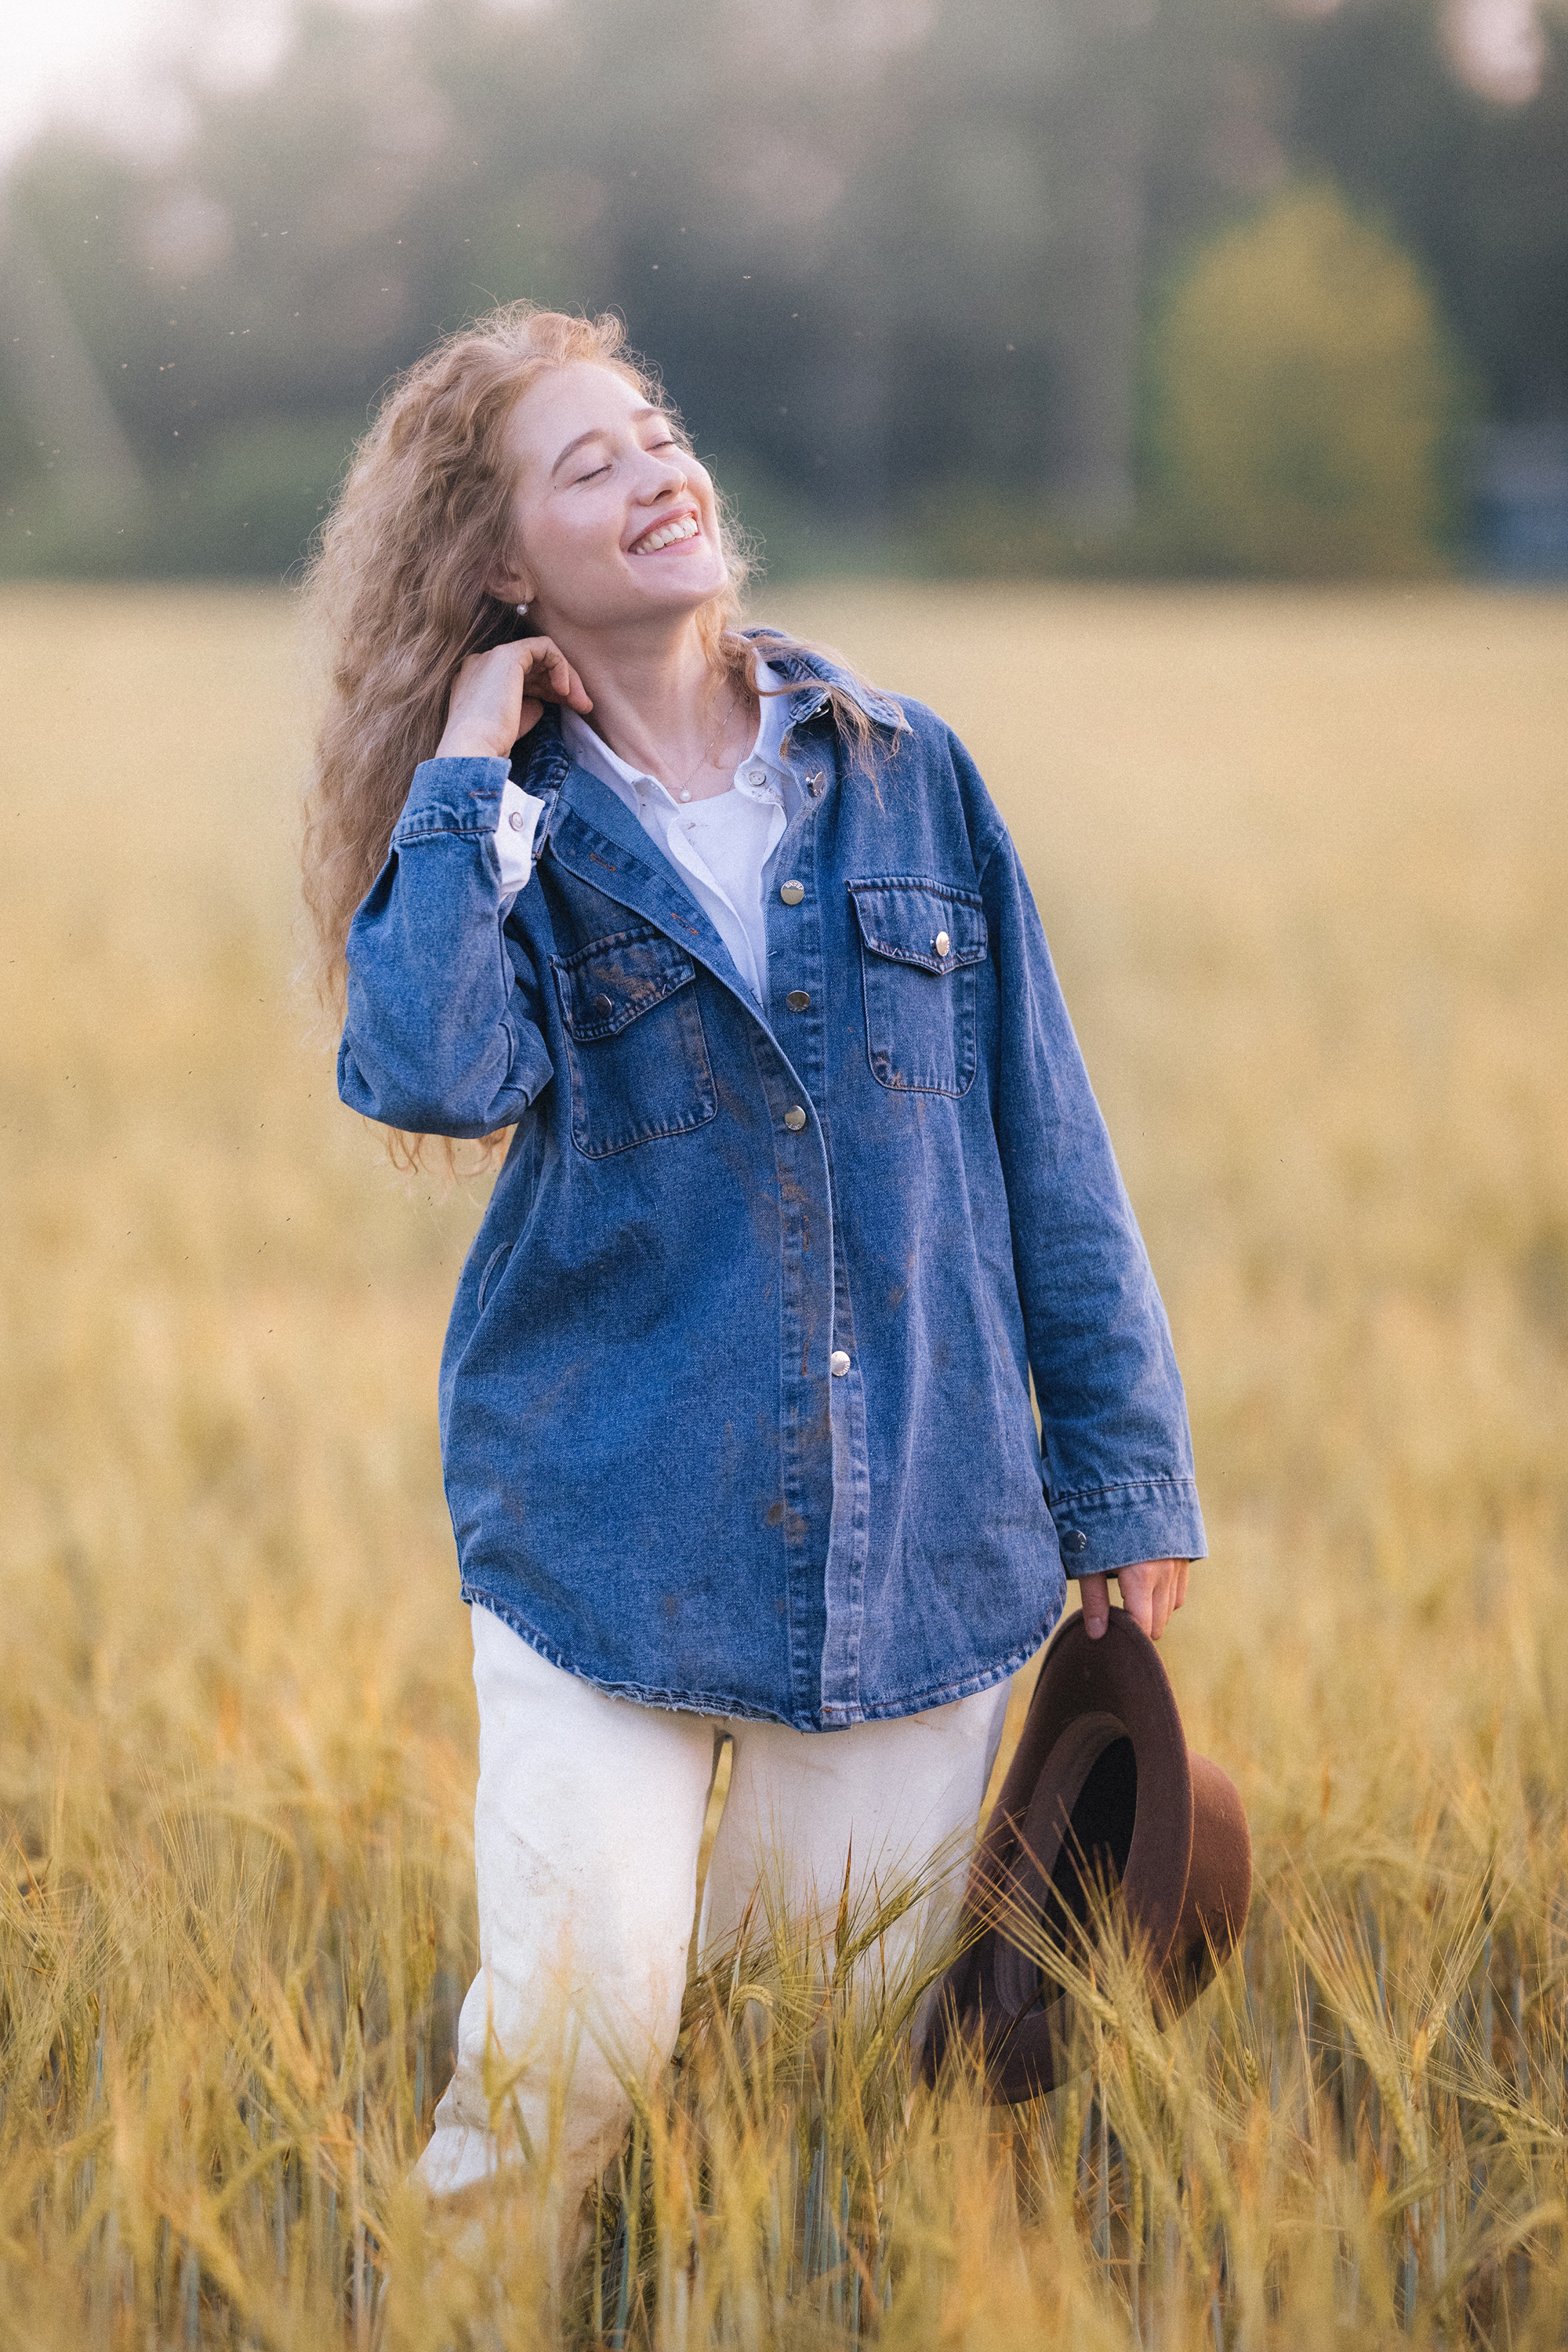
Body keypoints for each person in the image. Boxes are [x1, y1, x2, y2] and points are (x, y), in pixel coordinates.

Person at [302, 303, 1203, 2259]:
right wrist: (470, 767)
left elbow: (1045, 1138)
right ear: (497, 566)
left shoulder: (908, 776)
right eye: (587, 462)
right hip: (606, 1528)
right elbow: (429, 1068)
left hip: (916, 1545)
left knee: (804, 2084)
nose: (656, 469)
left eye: (657, 430)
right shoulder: (516, 826)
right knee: (572, 2046)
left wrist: (1124, 1480)